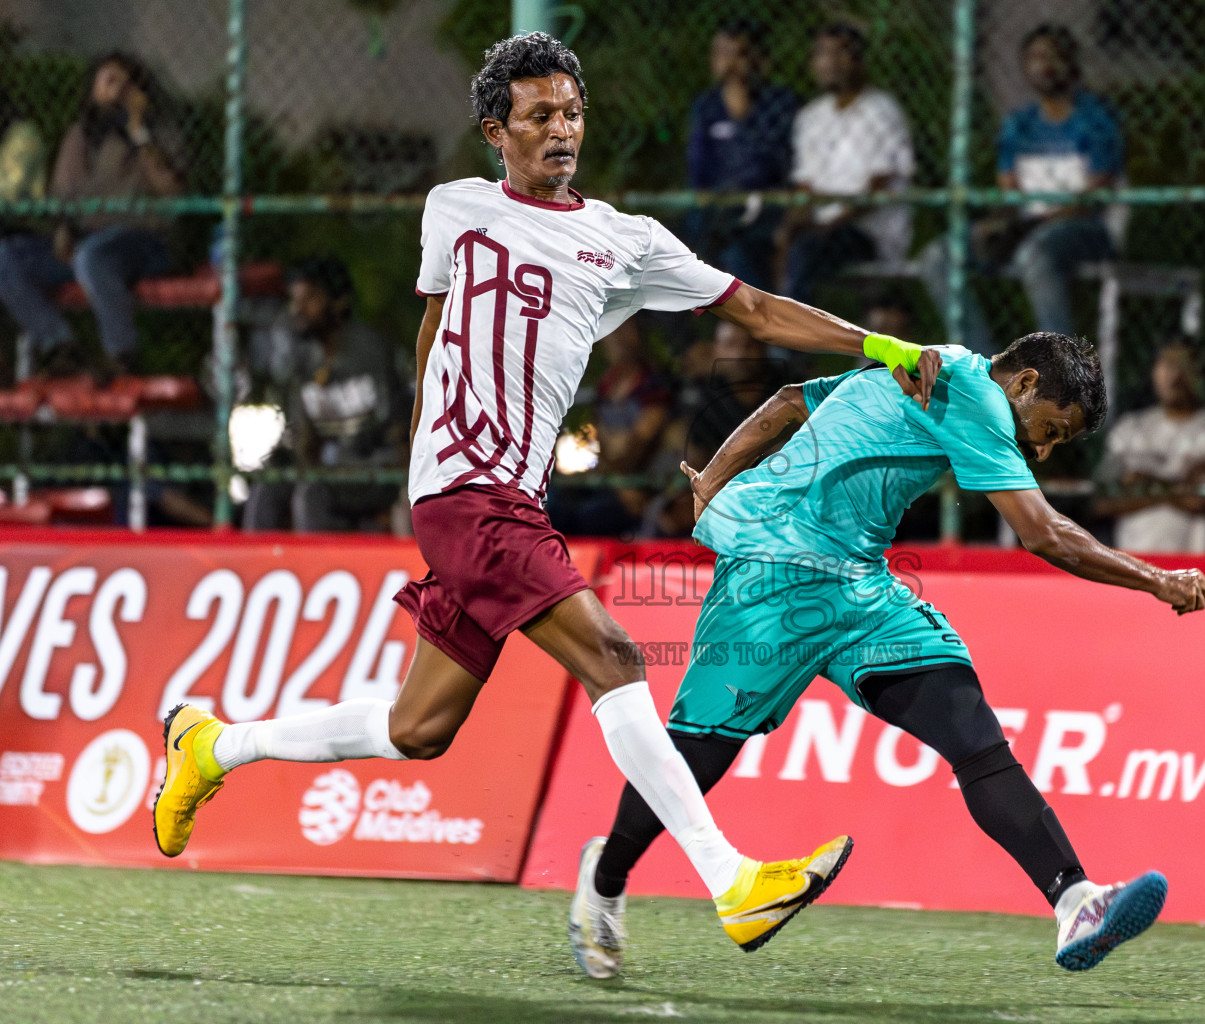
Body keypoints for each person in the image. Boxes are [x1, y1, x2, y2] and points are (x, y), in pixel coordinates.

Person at [154, 32, 941, 956]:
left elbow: (759, 310)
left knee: (419, 728)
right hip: (465, 494)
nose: (561, 130)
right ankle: (733, 883)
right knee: (614, 655)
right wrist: (425, 459)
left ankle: (212, 747)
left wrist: (884, 348)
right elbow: (437, 328)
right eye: (539, 117)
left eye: (570, 113)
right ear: (498, 131)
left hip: (507, 498)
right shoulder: (455, 208)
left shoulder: (625, 241)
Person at [567, 332, 1205, 979]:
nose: (1047, 450)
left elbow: (793, 399)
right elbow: (1043, 533)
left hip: (858, 584)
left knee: (972, 733)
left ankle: (1076, 901)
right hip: (771, 573)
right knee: (694, 759)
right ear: (1025, 383)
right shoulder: (974, 394)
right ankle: (603, 883)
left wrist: (711, 479)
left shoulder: (929, 365)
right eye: (1053, 428)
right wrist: (1159, 580)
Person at [0, 53, 184, 381]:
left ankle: (122, 355)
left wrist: (139, 131)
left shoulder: (156, 133)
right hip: (87, 241)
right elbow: (61, 196)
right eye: (108, 81)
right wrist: (62, 228)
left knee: (92, 256)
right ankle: (60, 346)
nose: (117, 90)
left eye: (126, 84)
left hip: (140, 240)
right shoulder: (80, 135)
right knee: (8, 256)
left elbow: (170, 190)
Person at [242, 256, 407, 533]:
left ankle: (316, 570)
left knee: (312, 493)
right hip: (330, 475)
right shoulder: (302, 360)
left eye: (310, 299)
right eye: (295, 300)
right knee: (267, 490)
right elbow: (305, 439)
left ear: (338, 302)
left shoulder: (370, 351)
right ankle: (255, 568)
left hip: (377, 470)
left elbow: (399, 431)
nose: (299, 309)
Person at [990, 23, 1123, 336]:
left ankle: (1061, 370)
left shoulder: (1095, 118)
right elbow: (1008, 188)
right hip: (1027, 226)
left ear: (1072, 63)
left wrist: (1042, 221)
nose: (1044, 65)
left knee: (1034, 253)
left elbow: (1096, 192)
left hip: (1086, 230)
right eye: (1035, 57)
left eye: (1054, 56)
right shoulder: (1018, 124)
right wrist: (1000, 223)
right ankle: (980, 367)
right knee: (941, 256)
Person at [780, 22, 914, 303]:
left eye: (838, 54)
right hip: (821, 231)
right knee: (763, 243)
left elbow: (877, 188)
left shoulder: (881, 110)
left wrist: (825, 226)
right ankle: (759, 337)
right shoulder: (811, 117)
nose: (829, 63)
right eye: (821, 55)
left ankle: (787, 341)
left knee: (806, 251)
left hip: (869, 233)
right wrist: (790, 225)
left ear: (859, 60)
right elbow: (806, 187)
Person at [1092, 341, 1205, 552]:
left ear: (1202, 373)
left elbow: (1199, 501)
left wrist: (1145, 481)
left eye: (1184, 364)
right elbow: (1102, 502)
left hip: (1200, 562)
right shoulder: (1130, 429)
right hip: (1135, 562)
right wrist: (1181, 486)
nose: (1175, 375)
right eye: (1166, 364)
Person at [684, 18, 799, 289]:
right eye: (723, 55)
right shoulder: (706, 106)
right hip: (713, 209)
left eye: (741, 55)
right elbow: (698, 169)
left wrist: (743, 111)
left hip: (764, 209)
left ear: (761, 60)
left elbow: (779, 167)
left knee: (738, 252)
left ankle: (747, 327)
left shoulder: (780, 104)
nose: (731, 65)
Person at [547, 317, 671, 537]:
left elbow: (637, 444)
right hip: (613, 484)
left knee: (590, 516)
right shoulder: (605, 386)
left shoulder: (652, 384)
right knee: (556, 506)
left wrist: (619, 477)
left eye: (625, 331)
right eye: (612, 332)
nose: (617, 339)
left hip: (648, 485)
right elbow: (605, 447)